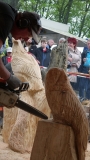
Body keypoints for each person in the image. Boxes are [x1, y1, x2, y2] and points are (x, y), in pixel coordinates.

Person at [0, 1, 41, 90]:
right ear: (23, 23)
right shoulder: (7, 17)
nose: (26, 39)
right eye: (29, 35)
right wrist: (9, 77)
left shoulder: (7, 15)